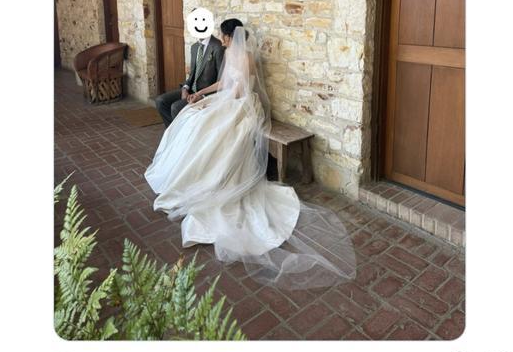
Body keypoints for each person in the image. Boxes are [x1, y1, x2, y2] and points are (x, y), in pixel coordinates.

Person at [145, 19, 356, 289]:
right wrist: (202, 95)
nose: (220, 38)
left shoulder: (246, 58)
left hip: (243, 105)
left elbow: (237, 91)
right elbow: (223, 83)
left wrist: (214, 105)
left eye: (223, 35)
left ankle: (209, 177)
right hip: (228, 99)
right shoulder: (230, 54)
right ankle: (189, 171)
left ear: (229, 36)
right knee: (192, 116)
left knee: (209, 126)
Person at [155, 26, 224, 128]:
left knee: (176, 107)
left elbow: (221, 80)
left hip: (206, 93)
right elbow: (192, 74)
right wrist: (185, 88)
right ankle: (173, 132)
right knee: (161, 101)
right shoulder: (194, 47)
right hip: (191, 90)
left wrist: (202, 95)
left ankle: (181, 134)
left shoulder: (218, 47)